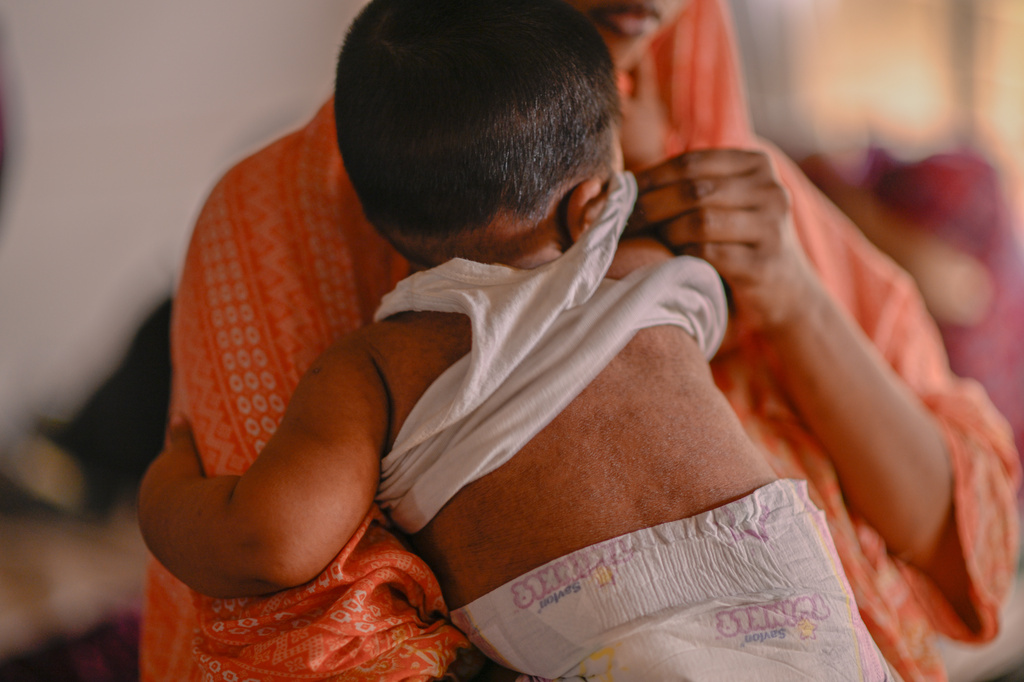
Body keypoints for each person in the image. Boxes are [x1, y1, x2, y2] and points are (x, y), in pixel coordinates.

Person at [139, 0, 1021, 680]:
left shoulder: (378, 364)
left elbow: (969, 543)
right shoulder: (281, 223)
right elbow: (309, 643)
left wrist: (795, 295)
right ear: (595, 200)